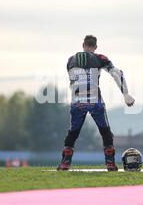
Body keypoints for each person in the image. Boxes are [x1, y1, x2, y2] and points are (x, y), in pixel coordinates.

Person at [57, 35, 135, 171]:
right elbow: (116, 73)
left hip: (77, 102)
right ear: (95, 47)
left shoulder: (71, 60)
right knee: (105, 132)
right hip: (95, 101)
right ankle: (110, 163)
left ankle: (65, 163)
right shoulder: (100, 58)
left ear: (83, 45)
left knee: (73, 133)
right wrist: (126, 94)